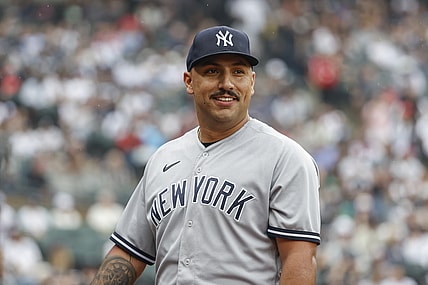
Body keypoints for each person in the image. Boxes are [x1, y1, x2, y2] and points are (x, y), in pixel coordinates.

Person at [90, 25, 321, 285]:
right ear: (189, 81)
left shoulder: (286, 158)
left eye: (238, 72)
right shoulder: (163, 159)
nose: (227, 84)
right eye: (212, 72)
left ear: (252, 82)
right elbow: (128, 253)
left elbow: (299, 261)